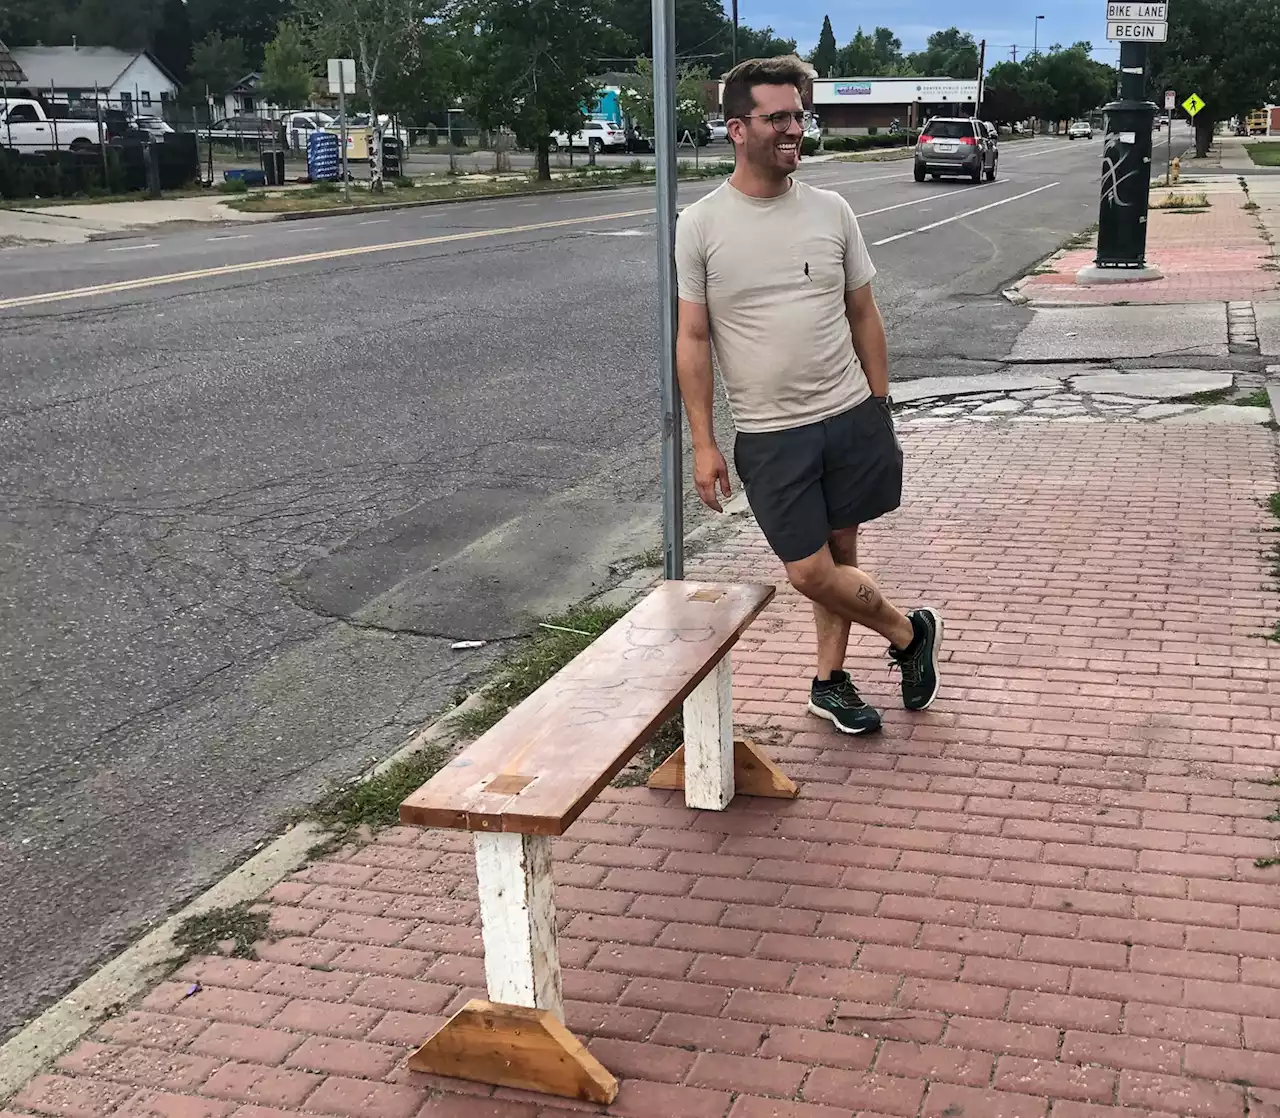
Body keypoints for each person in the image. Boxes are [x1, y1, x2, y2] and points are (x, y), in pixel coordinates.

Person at [673, 54, 943, 735]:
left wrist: (879, 405)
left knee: (842, 553)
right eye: (778, 118)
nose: (794, 128)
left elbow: (863, 313)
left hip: (850, 414)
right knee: (809, 571)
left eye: (800, 115)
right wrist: (705, 442)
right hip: (771, 433)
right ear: (737, 128)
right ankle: (907, 633)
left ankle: (830, 682)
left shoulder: (832, 209)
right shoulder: (701, 225)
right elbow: (695, 339)